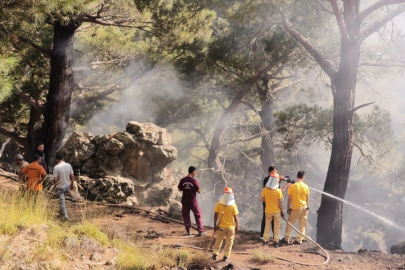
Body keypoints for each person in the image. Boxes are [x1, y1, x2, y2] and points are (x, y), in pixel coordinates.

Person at [280, 170, 310, 245]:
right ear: (303, 178)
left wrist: (288, 208)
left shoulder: (292, 186)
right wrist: (307, 207)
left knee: (289, 224)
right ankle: (299, 240)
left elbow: (289, 199)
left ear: (297, 176)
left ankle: (286, 239)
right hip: (305, 208)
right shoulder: (306, 186)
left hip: (296, 208)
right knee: (302, 225)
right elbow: (307, 199)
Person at [260, 166, 288, 239]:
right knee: (266, 218)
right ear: (270, 172)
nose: (276, 174)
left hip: (271, 202)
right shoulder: (267, 179)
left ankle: (271, 236)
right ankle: (263, 235)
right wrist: (285, 186)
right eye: (274, 172)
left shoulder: (273, 181)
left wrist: (280, 181)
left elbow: (276, 188)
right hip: (268, 202)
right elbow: (275, 189)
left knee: (272, 220)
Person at [212, 187, 239, 262]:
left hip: (221, 227)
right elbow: (235, 217)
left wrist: (215, 226)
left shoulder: (218, 204)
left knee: (218, 240)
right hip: (231, 227)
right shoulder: (233, 205)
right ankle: (226, 257)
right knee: (229, 242)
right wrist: (237, 226)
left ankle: (215, 255)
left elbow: (215, 215)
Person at [177, 166, 205, 236]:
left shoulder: (182, 180)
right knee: (197, 214)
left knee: (186, 215)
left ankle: (188, 231)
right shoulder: (194, 181)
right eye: (195, 171)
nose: (195, 173)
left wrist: (186, 188)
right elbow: (199, 191)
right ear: (193, 172)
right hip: (192, 201)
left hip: (184, 200)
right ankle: (201, 231)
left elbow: (179, 189)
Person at [261, 173, 285, 248]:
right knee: (276, 227)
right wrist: (282, 211)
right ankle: (276, 242)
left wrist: (268, 200)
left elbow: (262, 199)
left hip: (268, 211)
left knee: (267, 225)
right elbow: (280, 202)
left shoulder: (265, 189)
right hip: (276, 212)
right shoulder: (278, 191)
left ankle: (265, 240)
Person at [53, 153, 75, 221]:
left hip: (60, 186)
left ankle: (65, 216)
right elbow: (72, 176)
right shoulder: (68, 165)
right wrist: (72, 184)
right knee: (63, 200)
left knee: (61, 201)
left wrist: (55, 185)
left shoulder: (56, 167)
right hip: (67, 185)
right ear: (63, 159)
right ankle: (61, 213)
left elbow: (55, 179)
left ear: (56, 159)